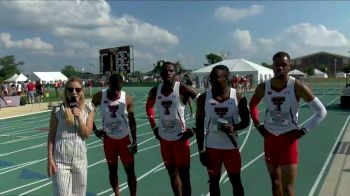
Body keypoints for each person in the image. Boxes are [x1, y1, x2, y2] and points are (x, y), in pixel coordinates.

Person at [249, 51, 327, 196]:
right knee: (275, 183)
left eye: (283, 64)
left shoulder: (297, 86)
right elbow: (252, 105)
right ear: (273, 66)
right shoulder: (264, 86)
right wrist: (258, 125)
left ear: (289, 66)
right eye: (276, 64)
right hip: (270, 139)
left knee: (287, 188)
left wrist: (302, 131)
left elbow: (321, 111)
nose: (280, 67)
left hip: (288, 141)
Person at [146, 61, 199, 196]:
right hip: (164, 140)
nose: (168, 73)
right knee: (172, 174)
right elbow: (148, 107)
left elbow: (204, 103)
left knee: (185, 176)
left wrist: (195, 129)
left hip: (180, 140)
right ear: (161, 74)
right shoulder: (155, 90)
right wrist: (154, 127)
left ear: (175, 73)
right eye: (165, 71)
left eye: (171, 71)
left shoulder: (181, 88)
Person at [196, 65, 249, 196]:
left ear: (227, 79)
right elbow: (199, 125)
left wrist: (234, 127)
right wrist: (201, 150)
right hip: (212, 148)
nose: (212, 81)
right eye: (211, 78)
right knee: (213, 182)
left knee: (235, 181)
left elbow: (246, 122)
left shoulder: (238, 97)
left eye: (216, 78)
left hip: (231, 147)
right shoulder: (203, 98)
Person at [47, 76, 94, 196]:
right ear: (66, 91)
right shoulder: (57, 110)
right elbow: (51, 136)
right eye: (70, 89)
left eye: (77, 90)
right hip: (60, 160)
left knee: (79, 194)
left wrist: (78, 117)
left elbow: (87, 134)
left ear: (82, 91)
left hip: (80, 159)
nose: (74, 92)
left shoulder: (89, 109)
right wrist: (50, 159)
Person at [92, 73, 137, 196]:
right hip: (109, 140)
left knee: (130, 171)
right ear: (108, 85)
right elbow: (88, 112)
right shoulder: (100, 96)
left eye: (119, 88)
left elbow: (132, 120)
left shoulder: (126, 98)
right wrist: (95, 130)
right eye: (114, 88)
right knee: (112, 170)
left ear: (122, 86)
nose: (117, 91)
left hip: (124, 139)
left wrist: (135, 141)